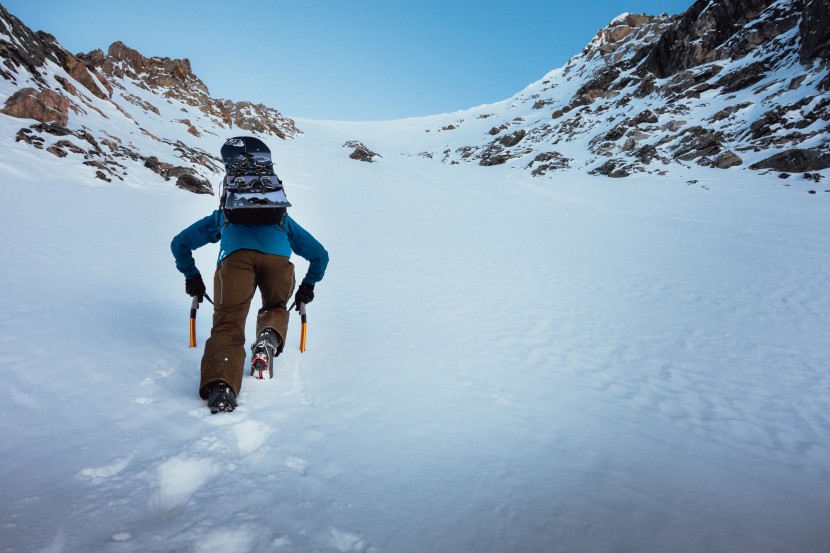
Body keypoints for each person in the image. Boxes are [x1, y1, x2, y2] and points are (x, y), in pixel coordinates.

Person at [171, 145, 328, 414]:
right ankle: (268, 337)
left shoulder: (224, 216)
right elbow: (320, 256)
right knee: (275, 307)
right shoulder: (283, 219)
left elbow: (180, 244)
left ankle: (221, 387)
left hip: (234, 262)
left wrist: (192, 277)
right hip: (279, 263)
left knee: (228, 322)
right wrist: (307, 286)